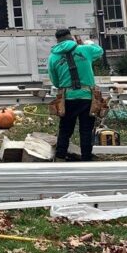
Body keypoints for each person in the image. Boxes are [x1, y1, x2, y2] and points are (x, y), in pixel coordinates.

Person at [48, 28, 105, 161]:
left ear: (57, 40)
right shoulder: (85, 50)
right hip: (87, 98)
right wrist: (87, 43)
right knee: (86, 129)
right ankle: (86, 158)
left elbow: (56, 82)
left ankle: (60, 156)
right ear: (71, 38)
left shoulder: (53, 57)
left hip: (67, 98)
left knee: (65, 129)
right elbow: (100, 51)